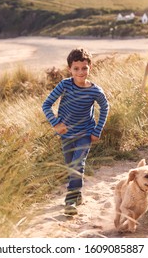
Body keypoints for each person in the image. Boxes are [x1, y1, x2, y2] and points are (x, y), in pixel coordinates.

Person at [42, 48, 109, 216]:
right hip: (66, 135)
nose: (80, 72)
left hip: (85, 133)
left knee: (77, 165)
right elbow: (46, 105)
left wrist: (97, 130)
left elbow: (105, 107)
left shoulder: (95, 91)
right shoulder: (65, 85)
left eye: (84, 68)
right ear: (70, 69)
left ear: (90, 68)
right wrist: (56, 124)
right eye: (76, 68)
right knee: (70, 165)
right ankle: (77, 193)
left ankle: (70, 200)